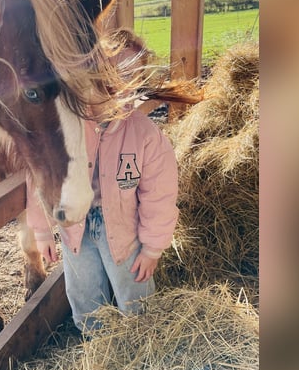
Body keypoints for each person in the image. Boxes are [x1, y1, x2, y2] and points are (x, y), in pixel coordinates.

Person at [26, 30, 187, 333]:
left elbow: (159, 194)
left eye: (129, 81)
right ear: (91, 75)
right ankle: (96, 346)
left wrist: (152, 248)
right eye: (110, 78)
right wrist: (43, 231)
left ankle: (141, 340)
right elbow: (39, 175)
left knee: (134, 290)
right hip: (75, 224)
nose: (117, 90)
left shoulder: (143, 134)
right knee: (84, 292)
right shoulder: (65, 124)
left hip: (125, 227)